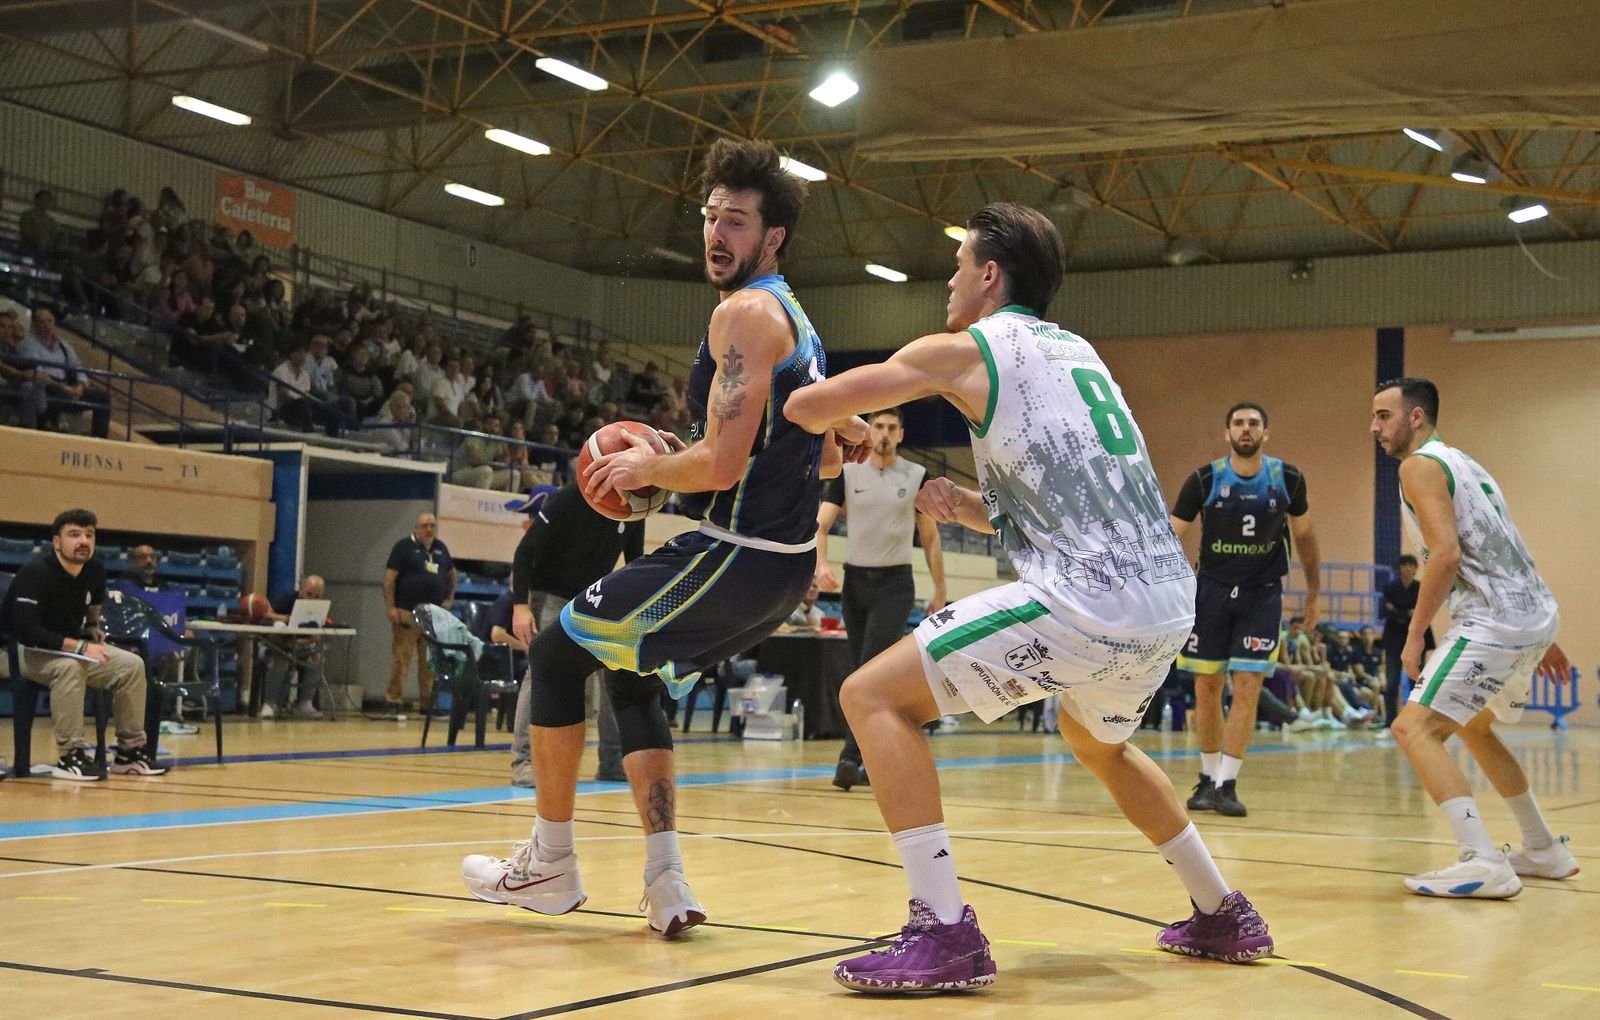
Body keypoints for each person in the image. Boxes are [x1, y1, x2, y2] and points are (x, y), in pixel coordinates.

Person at [784, 201, 1272, 992]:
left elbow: (807, 407)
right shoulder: (1078, 355)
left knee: (871, 697)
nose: (948, 279)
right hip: (1162, 603)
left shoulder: (963, 349)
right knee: (1099, 743)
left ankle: (943, 932)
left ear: (988, 274)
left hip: (1089, 602)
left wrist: (826, 414)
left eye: (958, 264)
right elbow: (1068, 501)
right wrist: (970, 506)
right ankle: (1222, 912)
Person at [460, 138, 866, 937]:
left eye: (738, 222)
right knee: (627, 671)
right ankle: (666, 879)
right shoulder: (793, 316)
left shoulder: (744, 314)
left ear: (773, 236)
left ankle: (548, 863)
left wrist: (652, 462)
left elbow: (718, 467)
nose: (717, 234)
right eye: (711, 216)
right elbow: (818, 447)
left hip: (737, 558)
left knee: (554, 652)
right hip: (777, 571)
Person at [1372, 377, 1578, 897]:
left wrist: (1416, 634)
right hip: (1529, 614)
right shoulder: (1464, 462)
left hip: (1493, 621)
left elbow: (1445, 555)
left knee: (1413, 729)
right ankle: (1544, 848)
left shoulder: (1417, 466)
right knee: (1476, 727)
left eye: (1384, 415)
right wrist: (1539, 633)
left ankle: (1481, 860)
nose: (1375, 427)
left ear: (1415, 417)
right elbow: (1503, 542)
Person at [1168, 402, 1319, 818]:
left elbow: (1305, 538)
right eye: (1239, 423)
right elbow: (1171, 534)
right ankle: (1206, 777)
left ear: (1266, 433)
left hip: (1262, 593)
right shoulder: (1204, 479)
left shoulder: (1287, 479)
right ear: (1227, 432)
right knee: (1207, 687)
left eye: (1254, 423)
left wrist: (1314, 591)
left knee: (1249, 684)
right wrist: (1166, 586)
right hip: (1211, 592)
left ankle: (1227, 783)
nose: (1246, 429)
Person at [815, 405, 948, 791]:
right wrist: (819, 563)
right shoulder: (847, 473)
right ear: (868, 431)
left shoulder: (917, 476)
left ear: (901, 434)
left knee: (868, 668)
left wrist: (940, 588)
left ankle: (849, 757)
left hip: (895, 584)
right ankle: (873, 758)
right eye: (878, 426)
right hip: (854, 583)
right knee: (858, 669)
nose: (885, 433)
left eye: (892, 427)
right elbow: (821, 525)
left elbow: (931, 537)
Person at [0, 509, 167, 779]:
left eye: (89, 535)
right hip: (18, 651)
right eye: (74, 534)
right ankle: (71, 756)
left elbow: (95, 602)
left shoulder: (95, 570)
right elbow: (26, 631)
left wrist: (92, 626)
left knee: (131, 665)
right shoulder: (34, 573)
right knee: (69, 668)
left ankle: (129, 753)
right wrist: (79, 647)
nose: (84, 541)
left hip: (67, 649)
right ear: (56, 542)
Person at [502, 482, 645, 787]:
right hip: (551, 594)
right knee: (541, 676)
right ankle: (524, 762)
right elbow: (525, 552)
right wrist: (519, 606)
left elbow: (635, 562)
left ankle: (612, 761)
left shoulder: (636, 506)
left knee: (616, 671)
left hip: (595, 598)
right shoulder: (569, 498)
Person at [383, 514, 456, 715]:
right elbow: (390, 579)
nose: (429, 529)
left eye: (432, 526)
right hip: (407, 612)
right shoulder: (403, 547)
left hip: (433, 615)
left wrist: (449, 599)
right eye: (425, 526)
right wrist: (391, 607)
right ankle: (393, 701)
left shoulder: (441, 548)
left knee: (430, 663)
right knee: (401, 659)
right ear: (417, 528)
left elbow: (451, 574)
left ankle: (427, 704)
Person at [18, 306, 111, 438]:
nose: (47, 326)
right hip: (46, 387)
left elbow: (78, 368)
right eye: (42, 322)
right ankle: (49, 426)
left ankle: (100, 440)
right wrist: (66, 389)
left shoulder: (64, 346)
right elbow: (39, 374)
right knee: (52, 390)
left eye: (50, 321)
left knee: (103, 398)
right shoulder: (28, 344)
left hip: (68, 388)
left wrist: (80, 386)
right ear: (34, 324)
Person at [261, 574, 329, 720]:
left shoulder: (320, 608)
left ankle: (305, 703)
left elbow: (317, 634)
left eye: (316, 596)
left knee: (317, 657)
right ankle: (270, 703)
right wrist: (285, 618)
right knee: (281, 660)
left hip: (302, 646)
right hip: (281, 645)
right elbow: (267, 613)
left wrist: (314, 637)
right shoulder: (287, 599)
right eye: (309, 594)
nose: (312, 599)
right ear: (301, 590)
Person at [1379, 554, 1435, 728]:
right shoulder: (1390, 586)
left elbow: (1423, 610)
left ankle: (1416, 719)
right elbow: (1386, 611)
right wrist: (1407, 614)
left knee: (1416, 681)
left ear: (1415, 568)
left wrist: (1399, 611)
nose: (1408, 568)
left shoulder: (1421, 587)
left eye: (1411, 565)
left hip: (1416, 637)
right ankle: (1390, 719)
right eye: (1404, 565)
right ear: (1399, 568)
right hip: (1394, 638)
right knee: (1392, 680)